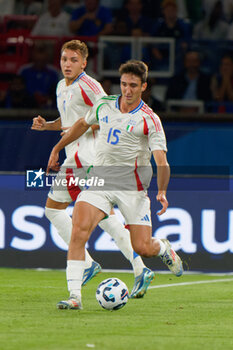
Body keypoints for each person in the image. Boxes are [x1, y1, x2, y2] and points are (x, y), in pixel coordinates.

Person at [46, 59, 183, 310]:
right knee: (78, 230)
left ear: (143, 86)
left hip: (133, 189)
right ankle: (75, 297)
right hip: (101, 180)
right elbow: (81, 125)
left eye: (133, 85)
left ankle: (162, 247)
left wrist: (162, 191)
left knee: (143, 247)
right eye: (123, 84)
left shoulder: (149, 119)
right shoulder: (105, 104)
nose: (127, 90)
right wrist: (58, 147)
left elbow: (161, 159)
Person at [31, 40, 154, 299]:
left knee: (102, 215)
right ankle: (99, 264)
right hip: (73, 158)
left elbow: (107, 117)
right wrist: (48, 126)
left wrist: (83, 130)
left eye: (74, 60)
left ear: (84, 63)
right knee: (54, 209)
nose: (67, 64)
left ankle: (127, 266)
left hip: (88, 159)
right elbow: (69, 123)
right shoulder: (61, 86)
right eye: (64, 59)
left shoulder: (89, 86)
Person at [19, 42, 59, 108]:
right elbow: (19, 87)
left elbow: (58, 90)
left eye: (42, 60)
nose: (40, 60)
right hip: (27, 103)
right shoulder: (24, 70)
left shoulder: (54, 72)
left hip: (49, 103)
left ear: (47, 57)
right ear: (32, 56)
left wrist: (47, 98)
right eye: (37, 60)